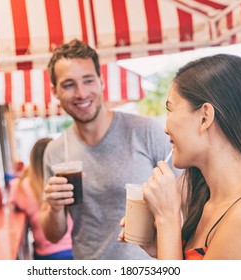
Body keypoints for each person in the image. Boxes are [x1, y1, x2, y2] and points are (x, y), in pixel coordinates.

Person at [119, 54, 241, 260]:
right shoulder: (207, 202)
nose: (165, 127)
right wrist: (163, 249)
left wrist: (168, 219)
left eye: (170, 109)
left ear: (204, 117)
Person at [40, 39, 177, 259]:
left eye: (88, 80)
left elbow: (187, 203)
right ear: (54, 90)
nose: (81, 93)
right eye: (68, 85)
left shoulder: (146, 132)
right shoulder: (55, 151)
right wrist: (54, 208)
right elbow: (54, 235)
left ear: (101, 81)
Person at [9, 137, 73, 260]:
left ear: (31, 160)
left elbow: (12, 206)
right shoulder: (67, 183)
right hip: (73, 251)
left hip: (46, 255)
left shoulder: (21, 186)